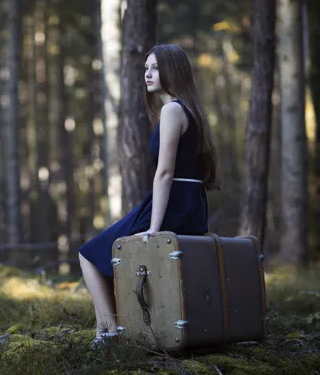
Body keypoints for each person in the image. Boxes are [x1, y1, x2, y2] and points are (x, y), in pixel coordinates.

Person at [78, 43, 222, 349]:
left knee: (89, 254)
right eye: (145, 68)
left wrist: (155, 227)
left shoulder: (172, 110)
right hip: (190, 204)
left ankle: (108, 331)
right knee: (103, 254)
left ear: (173, 70)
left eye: (154, 67)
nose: (147, 73)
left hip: (172, 205)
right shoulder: (190, 110)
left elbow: (165, 173)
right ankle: (113, 328)